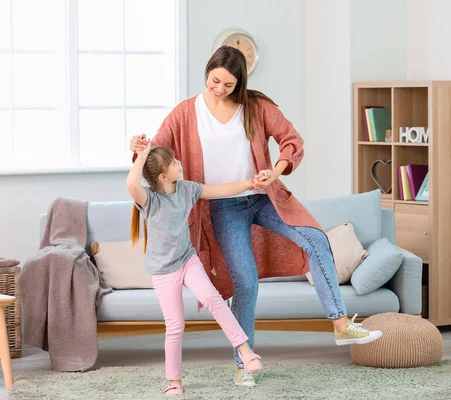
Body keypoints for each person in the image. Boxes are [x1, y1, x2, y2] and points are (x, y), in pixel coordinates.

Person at [130, 45, 382, 387]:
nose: (219, 89)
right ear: (207, 71)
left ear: (240, 84)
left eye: (228, 85)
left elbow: (291, 141)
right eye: (215, 80)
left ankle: (340, 323)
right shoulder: (185, 114)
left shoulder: (256, 107)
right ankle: (243, 363)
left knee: (316, 238)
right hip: (222, 206)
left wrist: (274, 172)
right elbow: (155, 157)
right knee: (245, 282)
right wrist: (138, 147)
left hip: (263, 198)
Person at [127, 142, 264, 395]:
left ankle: (245, 351)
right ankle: (174, 383)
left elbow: (219, 190)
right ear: (163, 176)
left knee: (212, 297)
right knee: (175, 325)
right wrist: (142, 155)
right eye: (174, 162)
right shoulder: (150, 200)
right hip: (163, 270)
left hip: (187, 259)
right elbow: (131, 184)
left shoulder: (187, 189)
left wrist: (250, 184)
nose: (179, 163)